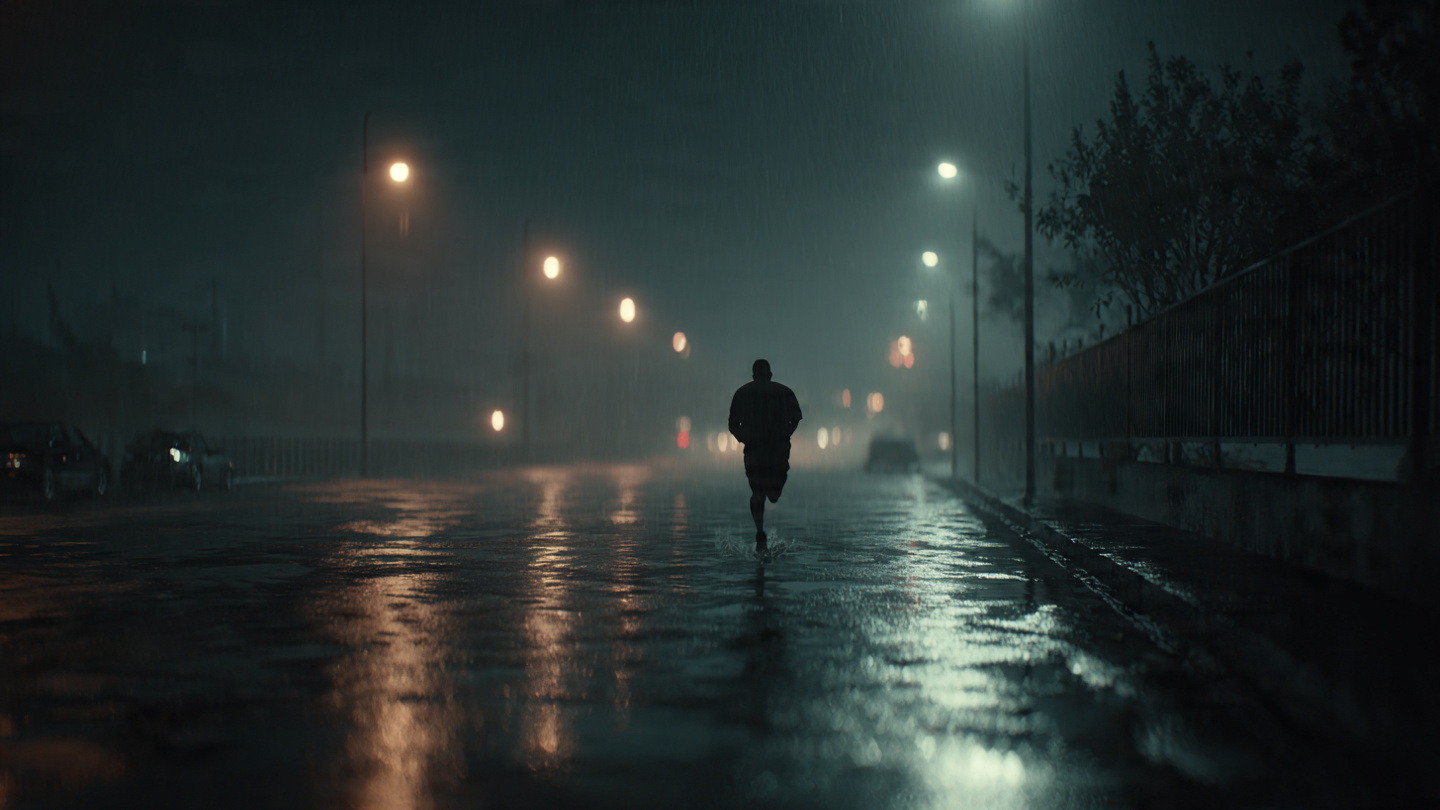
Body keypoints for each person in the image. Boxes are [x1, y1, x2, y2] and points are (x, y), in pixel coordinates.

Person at [728, 359, 802, 547]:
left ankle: (759, 529)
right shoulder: (784, 392)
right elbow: (796, 418)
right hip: (778, 450)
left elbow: (733, 425)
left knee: (757, 491)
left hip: (755, 451)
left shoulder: (742, 393)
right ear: (770, 374)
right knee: (774, 492)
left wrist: (745, 438)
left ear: (753, 376)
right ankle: (766, 500)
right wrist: (785, 434)